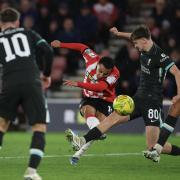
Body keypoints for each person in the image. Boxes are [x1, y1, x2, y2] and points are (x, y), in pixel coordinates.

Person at [65, 25, 180, 161]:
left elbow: (177, 72)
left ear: (144, 40)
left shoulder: (159, 55)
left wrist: (178, 94)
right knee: (111, 119)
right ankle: (82, 140)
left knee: (153, 146)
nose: (135, 46)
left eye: (136, 43)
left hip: (152, 102)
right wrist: (119, 34)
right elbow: (133, 36)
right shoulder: (144, 45)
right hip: (138, 98)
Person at [0, 8, 53, 180]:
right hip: (32, 82)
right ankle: (31, 172)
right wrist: (46, 74)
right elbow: (48, 51)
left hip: (9, 83)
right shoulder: (28, 33)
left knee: (1, 126)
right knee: (39, 126)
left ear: (1, 24)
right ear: (17, 22)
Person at [51, 40, 120, 165]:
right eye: (100, 71)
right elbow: (81, 46)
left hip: (106, 100)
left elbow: (100, 87)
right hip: (89, 98)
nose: (100, 75)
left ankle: (77, 153)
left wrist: (78, 84)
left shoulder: (115, 74)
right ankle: (93, 137)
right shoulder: (91, 58)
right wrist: (61, 45)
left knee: (98, 130)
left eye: (105, 74)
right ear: (98, 63)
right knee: (93, 119)